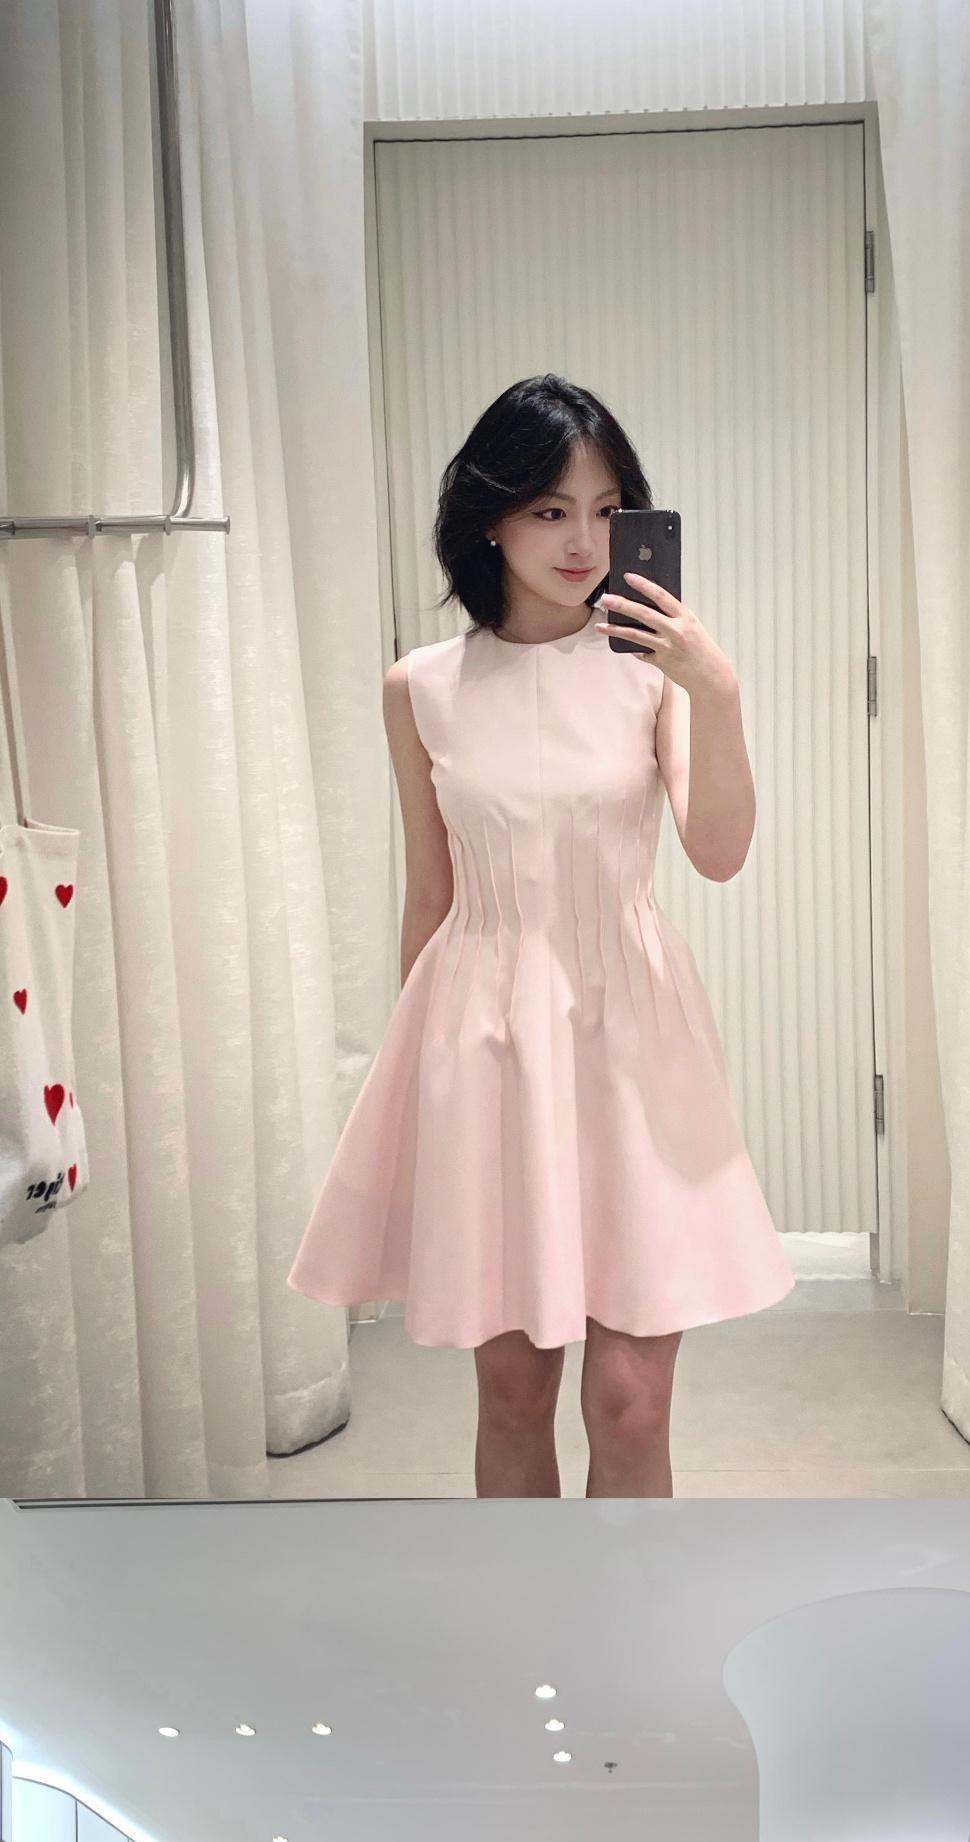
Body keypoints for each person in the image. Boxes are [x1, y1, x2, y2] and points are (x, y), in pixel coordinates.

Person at [288, 376, 792, 1497]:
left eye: (607, 510)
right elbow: (430, 892)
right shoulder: (421, 687)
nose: (582, 541)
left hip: (633, 1038)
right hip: (487, 1041)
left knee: (630, 1400)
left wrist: (715, 691)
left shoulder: (650, 677)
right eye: (550, 509)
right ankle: (532, 1608)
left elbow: (717, 852)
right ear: (490, 519)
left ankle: (625, 1604)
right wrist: (414, 1083)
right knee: (513, 1392)